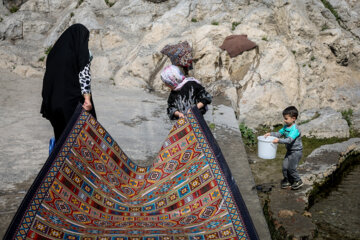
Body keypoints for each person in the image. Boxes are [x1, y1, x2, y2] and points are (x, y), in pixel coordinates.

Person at [40, 23, 96, 143]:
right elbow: (84, 74)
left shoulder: (54, 53)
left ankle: (61, 161)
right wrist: (87, 99)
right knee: (83, 137)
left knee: (61, 139)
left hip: (53, 104)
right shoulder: (81, 53)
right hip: (71, 104)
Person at [264, 106, 303, 190]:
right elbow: (279, 133)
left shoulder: (295, 129)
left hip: (296, 151)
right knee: (285, 167)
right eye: (284, 118)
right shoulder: (285, 127)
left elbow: (289, 140)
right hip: (289, 151)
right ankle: (287, 180)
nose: (284, 120)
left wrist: (278, 141)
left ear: (293, 118)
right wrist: (270, 134)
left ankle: (298, 180)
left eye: (286, 118)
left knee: (292, 168)